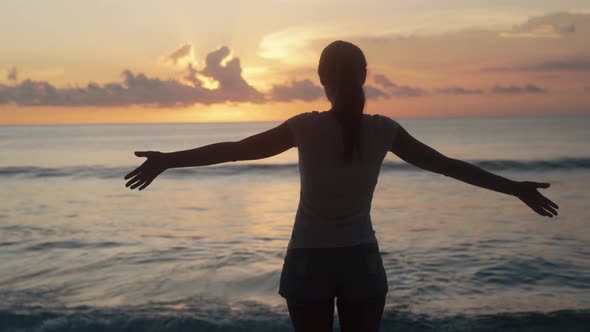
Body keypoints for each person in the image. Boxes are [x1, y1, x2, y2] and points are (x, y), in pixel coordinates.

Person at [124, 40, 559, 332]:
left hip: (308, 259)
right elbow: (448, 167)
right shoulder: (385, 130)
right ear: (365, 75)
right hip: (361, 263)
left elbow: (236, 149)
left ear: (321, 78)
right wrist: (514, 188)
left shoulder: (304, 127)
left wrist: (168, 161)